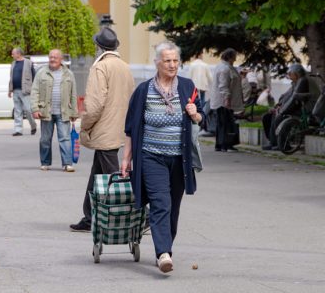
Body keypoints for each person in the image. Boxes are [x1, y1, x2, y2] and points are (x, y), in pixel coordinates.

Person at [121, 41, 204, 274]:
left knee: (173, 207)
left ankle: (167, 247)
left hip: (180, 159)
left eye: (176, 60)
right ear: (157, 63)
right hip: (151, 156)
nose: (172, 65)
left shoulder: (187, 87)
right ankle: (163, 253)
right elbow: (131, 128)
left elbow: (201, 117)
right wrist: (126, 158)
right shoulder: (143, 91)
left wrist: (195, 114)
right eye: (167, 60)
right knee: (161, 203)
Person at [70, 27, 135, 232]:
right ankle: (89, 216)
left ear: (99, 47)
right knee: (98, 173)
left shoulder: (100, 68)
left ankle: (134, 213)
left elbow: (94, 104)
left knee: (115, 177)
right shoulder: (124, 66)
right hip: (120, 126)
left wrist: (85, 125)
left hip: (105, 128)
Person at [30, 49, 79, 172]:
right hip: (46, 112)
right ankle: (45, 162)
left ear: (61, 59)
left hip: (64, 112)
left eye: (55, 57)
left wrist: (74, 112)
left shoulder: (68, 74)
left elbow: (73, 94)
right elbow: (34, 91)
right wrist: (35, 109)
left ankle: (67, 164)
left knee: (65, 138)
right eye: (51, 57)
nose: (52, 59)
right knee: (45, 139)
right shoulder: (41, 72)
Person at [261, 64, 311, 150]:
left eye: (291, 73)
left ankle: (283, 144)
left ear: (297, 74)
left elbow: (292, 100)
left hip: (297, 109)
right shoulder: (295, 83)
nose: (289, 75)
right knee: (267, 117)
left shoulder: (302, 81)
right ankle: (273, 142)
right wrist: (277, 106)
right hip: (291, 108)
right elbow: (285, 96)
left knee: (278, 117)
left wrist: (281, 110)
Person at [210, 48, 243, 152]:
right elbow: (223, 85)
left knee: (222, 123)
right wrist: (227, 99)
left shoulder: (223, 67)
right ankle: (226, 145)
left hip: (222, 100)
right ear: (229, 57)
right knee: (226, 123)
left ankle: (219, 145)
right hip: (224, 101)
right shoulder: (225, 69)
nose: (235, 58)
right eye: (234, 56)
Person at [9, 47, 37, 136]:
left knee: (28, 110)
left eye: (13, 53)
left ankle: (33, 125)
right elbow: (11, 77)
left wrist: (34, 89)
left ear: (18, 54)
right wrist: (10, 90)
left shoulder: (28, 62)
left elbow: (34, 76)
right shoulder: (13, 63)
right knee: (17, 110)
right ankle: (18, 130)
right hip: (15, 90)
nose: (12, 55)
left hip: (26, 90)